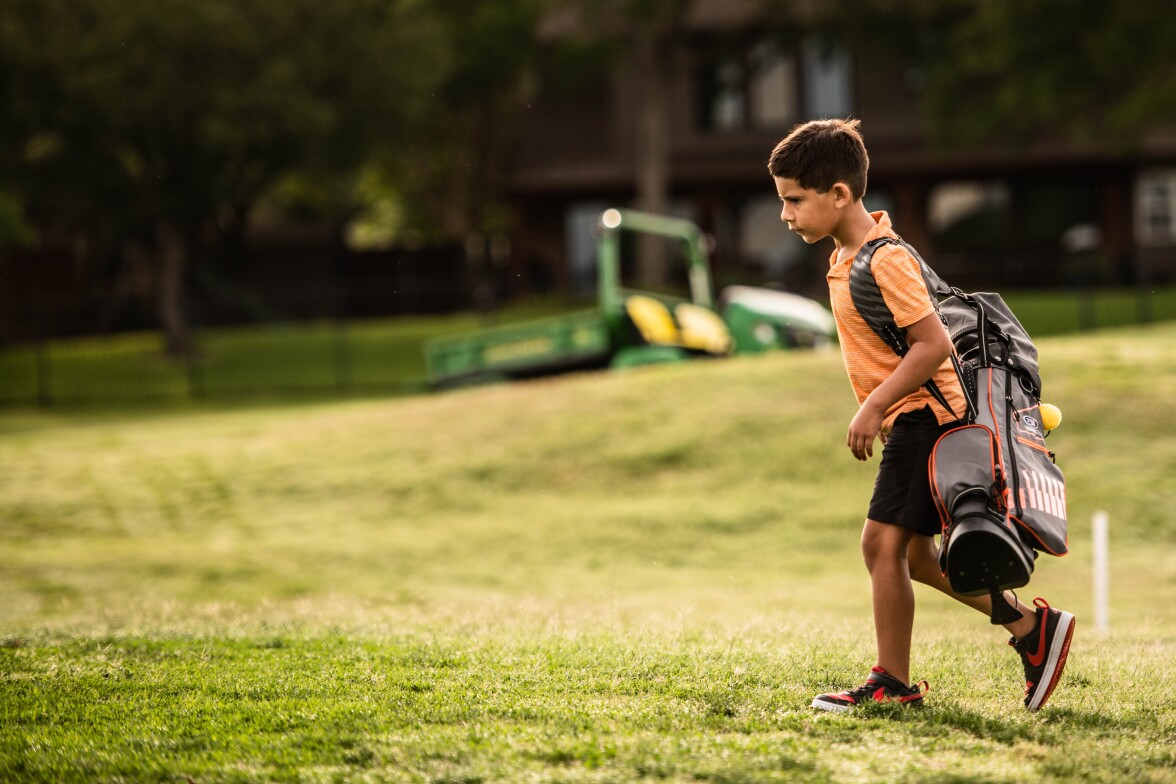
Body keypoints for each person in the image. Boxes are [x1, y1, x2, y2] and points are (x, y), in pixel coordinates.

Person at [767, 118, 1074, 712]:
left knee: (879, 545)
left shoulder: (885, 259)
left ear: (840, 194)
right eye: (782, 200)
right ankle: (1031, 630)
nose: (785, 214)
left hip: (927, 417)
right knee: (911, 555)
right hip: (910, 418)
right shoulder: (846, 257)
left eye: (794, 200)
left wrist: (875, 405)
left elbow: (934, 346)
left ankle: (892, 683)